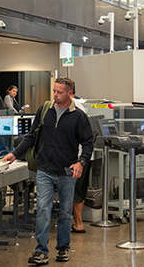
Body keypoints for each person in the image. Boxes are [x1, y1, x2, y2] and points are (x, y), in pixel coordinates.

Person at [2, 77, 93, 264]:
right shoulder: (45, 110)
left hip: (67, 171)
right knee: (43, 209)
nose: (55, 95)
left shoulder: (79, 116)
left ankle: (63, 248)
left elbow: (88, 142)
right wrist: (15, 154)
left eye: (59, 92)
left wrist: (81, 162)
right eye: (54, 91)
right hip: (44, 169)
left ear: (70, 93)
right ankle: (41, 251)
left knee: (66, 212)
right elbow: (31, 136)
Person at [70, 83, 92, 234]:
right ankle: (77, 221)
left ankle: (78, 223)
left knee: (75, 191)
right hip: (84, 156)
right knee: (81, 190)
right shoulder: (82, 105)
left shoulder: (73, 105)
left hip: (76, 157)